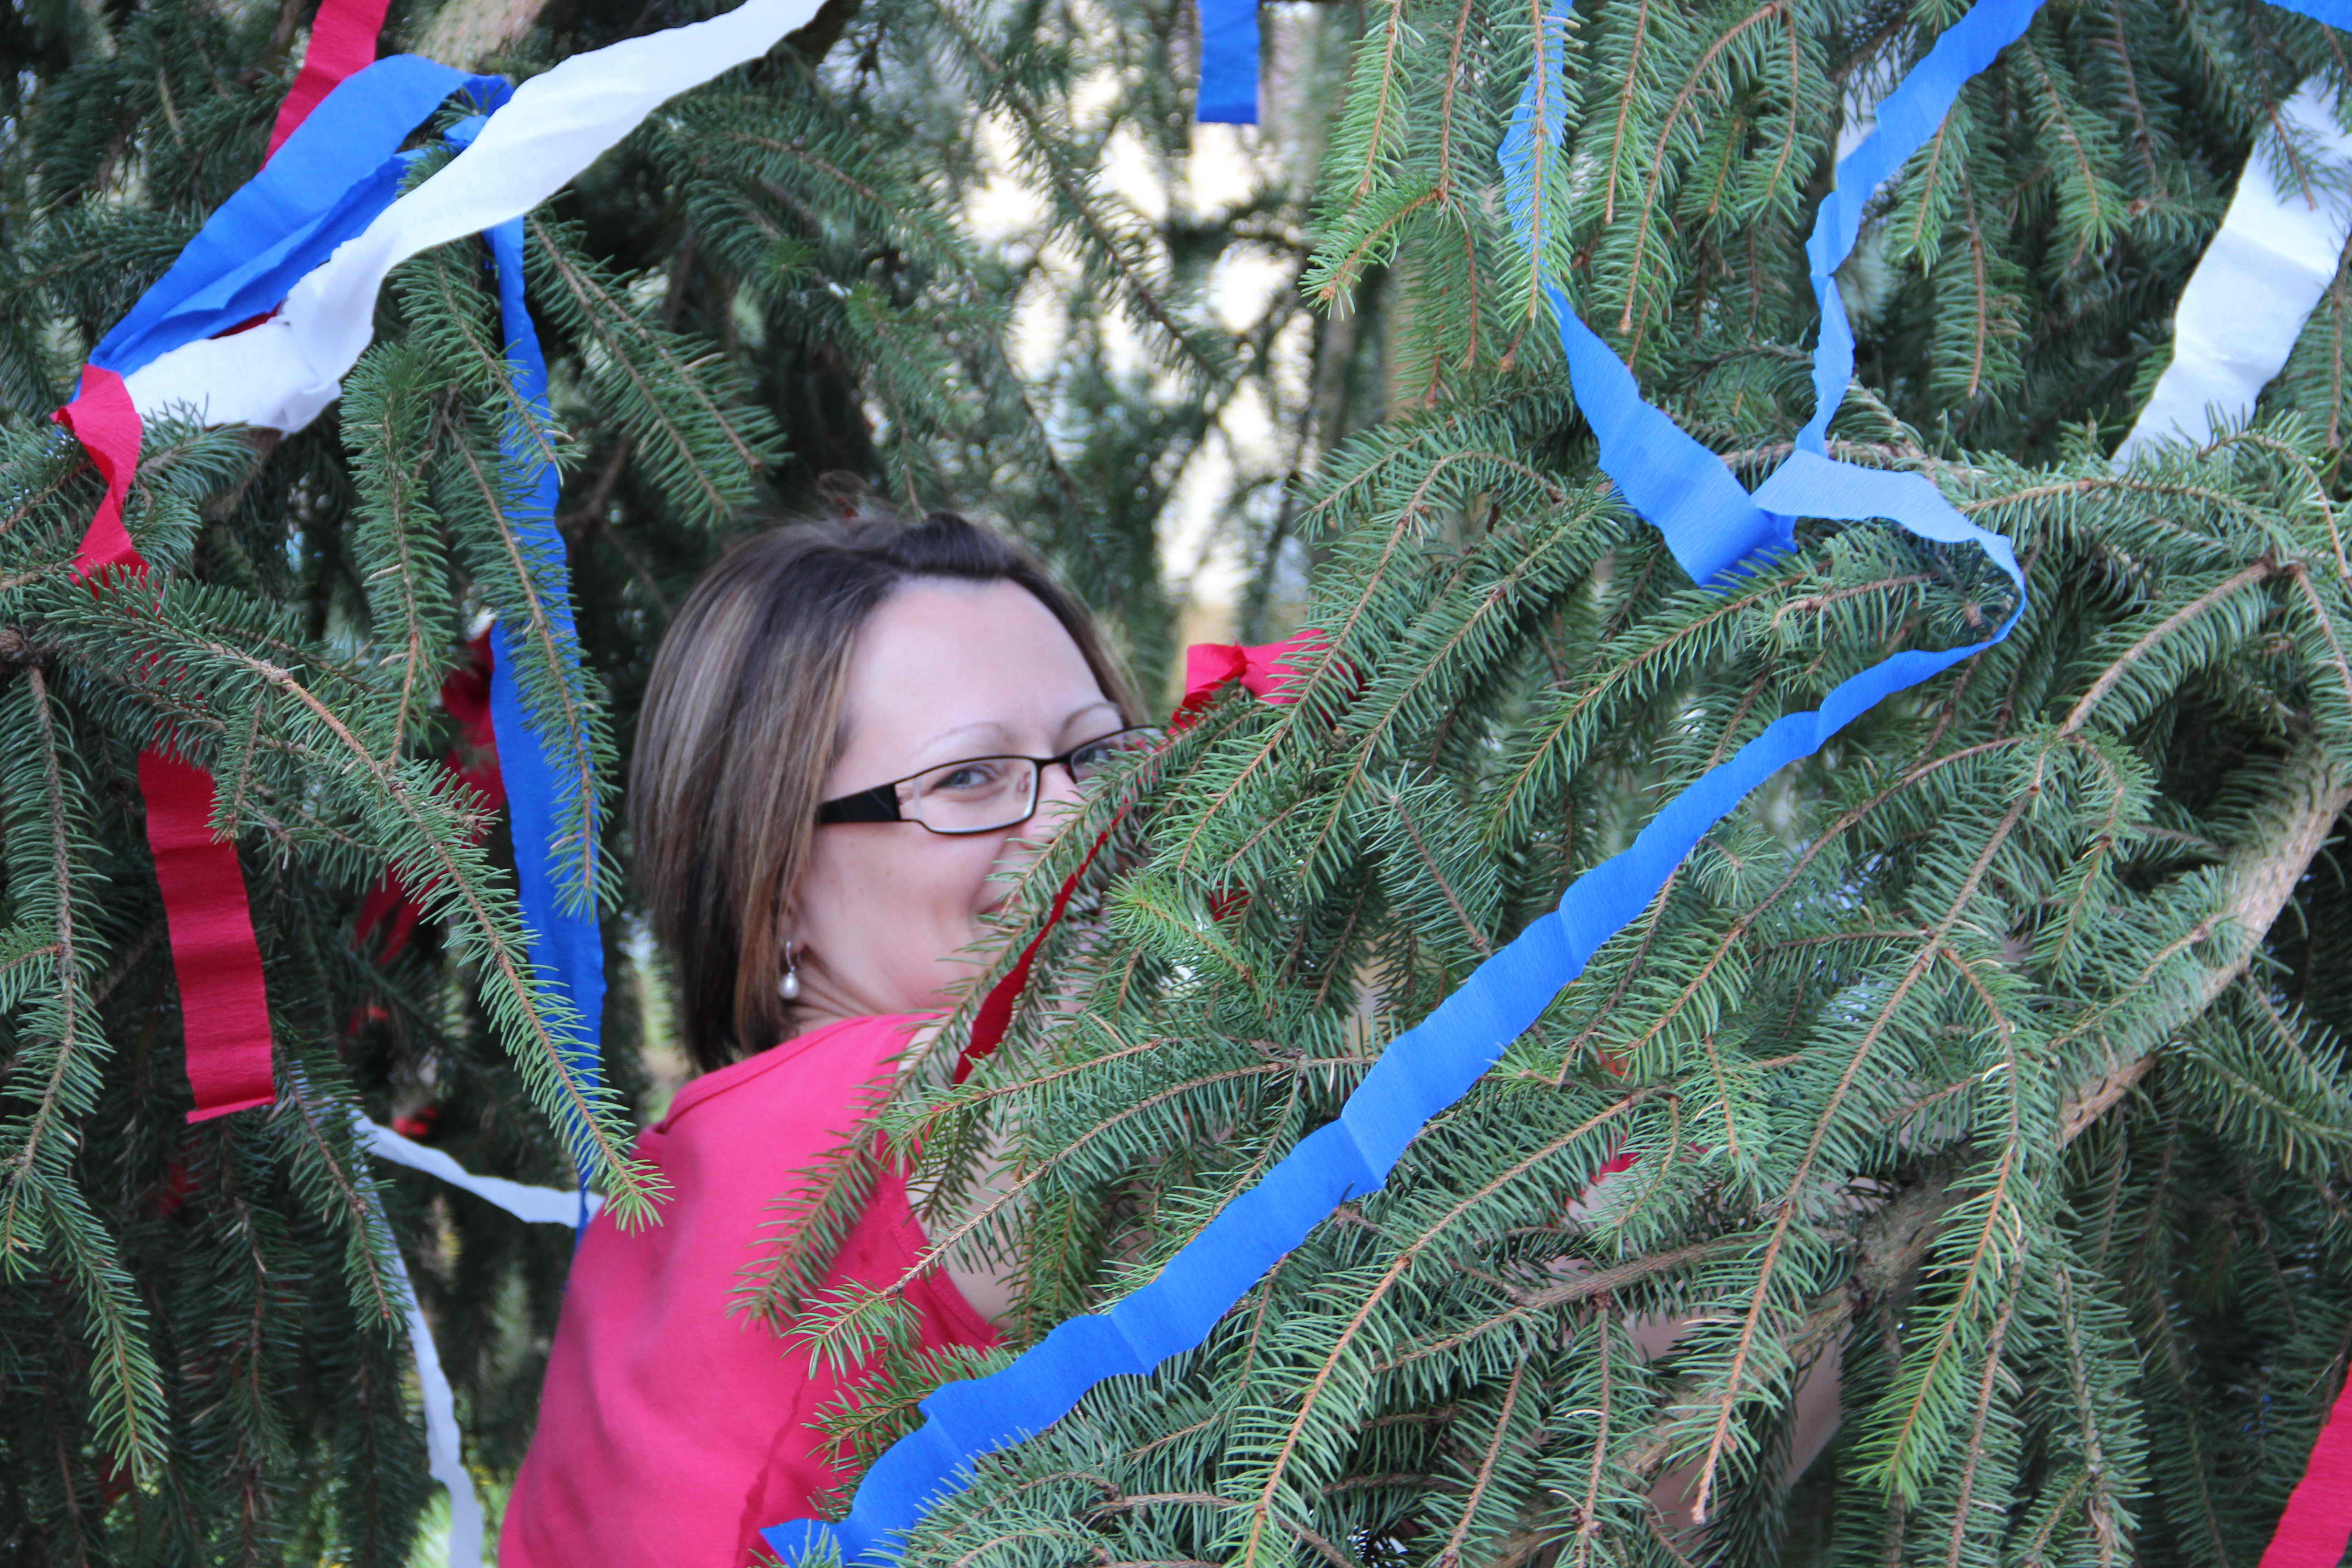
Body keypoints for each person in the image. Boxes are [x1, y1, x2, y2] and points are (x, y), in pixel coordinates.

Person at [499, 510, 1144, 1568]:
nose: (1075, 819)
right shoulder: (897, 1103)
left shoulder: (706, 1157)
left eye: (1096, 752)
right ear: (779, 878)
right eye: (969, 779)